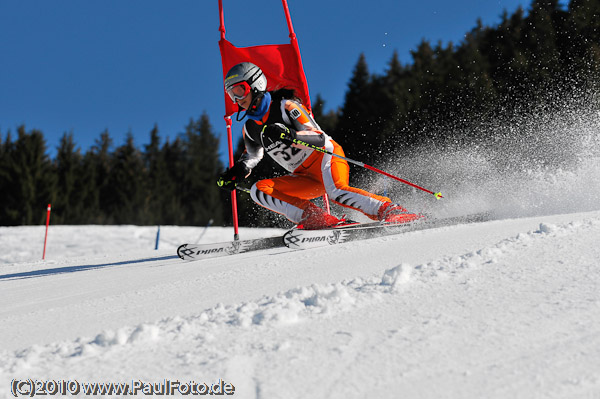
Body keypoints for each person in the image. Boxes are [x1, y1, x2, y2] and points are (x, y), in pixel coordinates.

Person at [217, 62, 421, 230]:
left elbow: (318, 138)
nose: (237, 99)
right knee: (258, 190)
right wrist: (238, 171)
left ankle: (391, 210)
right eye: (231, 94)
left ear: (255, 84)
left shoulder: (286, 106)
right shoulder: (250, 128)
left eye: (239, 90)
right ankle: (315, 218)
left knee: (337, 192)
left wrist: (290, 135)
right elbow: (252, 157)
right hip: (304, 177)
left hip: (326, 158)